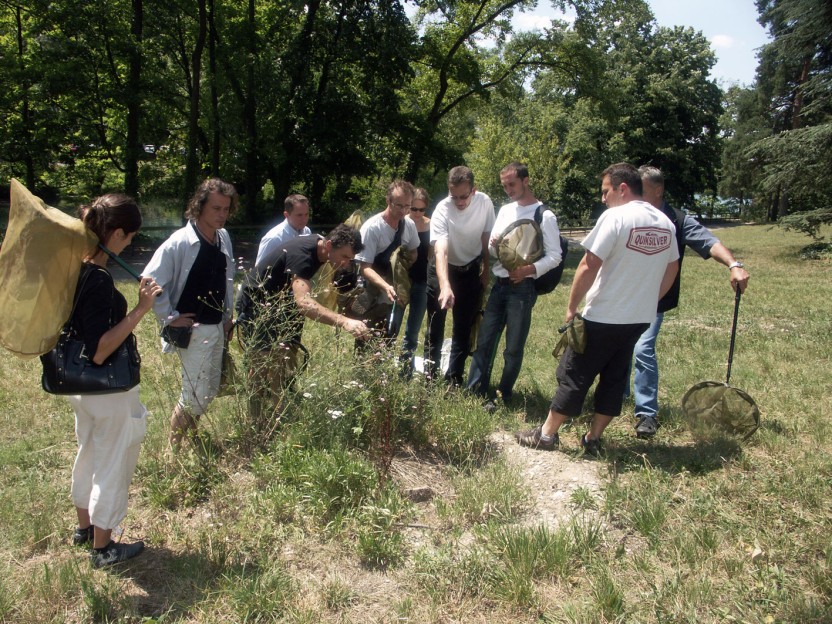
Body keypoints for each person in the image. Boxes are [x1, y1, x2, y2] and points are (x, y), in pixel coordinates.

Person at [515, 163, 679, 454]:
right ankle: (593, 439)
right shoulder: (665, 223)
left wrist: (571, 306)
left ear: (623, 189)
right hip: (639, 318)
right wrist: (650, 302)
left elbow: (588, 264)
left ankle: (547, 435)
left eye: (606, 191)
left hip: (603, 315)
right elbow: (672, 268)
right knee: (615, 377)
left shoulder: (615, 217)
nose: (603, 198)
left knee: (575, 373)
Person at [65, 194, 162, 567]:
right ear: (117, 233)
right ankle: (103, 549)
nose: (131, 245)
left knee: (89, 454)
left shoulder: (78, 268)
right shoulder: (100, 280)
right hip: (108, 390)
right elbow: (101, 348)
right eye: (130, 237)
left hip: (81, 388)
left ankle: (85, 529)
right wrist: (140, 308)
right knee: (112, 463)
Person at [630, 166, 750, 438]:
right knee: (619, 348)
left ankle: (646, 413)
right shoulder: (630, 216)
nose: (635, 194)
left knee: (642, 349)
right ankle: (616, 398)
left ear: (658, 190)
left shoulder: (678, 221)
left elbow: (709, 242)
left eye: (642, 189)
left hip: (655, 300)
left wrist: (734, 264)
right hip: (624, 297)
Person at [236, 225, 371, 425]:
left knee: (283, 360)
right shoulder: (303, 256)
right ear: (328, 245)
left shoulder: (319, 245)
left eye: (350, 259)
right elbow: (304, 303)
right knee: (261, 365)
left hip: (280, 304)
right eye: (344, 256)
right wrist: (343, 321)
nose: (345, 264)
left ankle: (278, 416)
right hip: (257, 304)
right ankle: (255, 423)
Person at [143, 178, 237, 448]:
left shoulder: (223, 237)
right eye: (216, 208)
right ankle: (171, 451)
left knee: (208, 391)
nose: (222, 215)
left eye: (226, 209)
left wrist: (227, 317)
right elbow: (149, 281)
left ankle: (193, 441)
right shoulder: (179, 242)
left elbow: (226, 278)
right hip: (193, 329)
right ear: (199, 207)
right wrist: (169, 317)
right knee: (193, 394)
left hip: (217, 324)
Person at [466, 162, 562, 407]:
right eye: (504, 185)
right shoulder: (506, 210)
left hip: (523, 289)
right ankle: (474, 392)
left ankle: (503, 395)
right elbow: (492, 249)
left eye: (512, 184)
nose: (508, 189)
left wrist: (528, 270)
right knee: (485, 340)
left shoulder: (544, 215)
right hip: (499, 285)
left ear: (525, 181)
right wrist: (494, 244)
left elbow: (555, 256)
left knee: (513, 347)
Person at [424, 166, 495, 385]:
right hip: (443, 269)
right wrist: (445, 286)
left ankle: (453, 378)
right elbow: (441, 251)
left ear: (474, 190)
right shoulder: (442, 210)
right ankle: (429, 377)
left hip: (470, 270)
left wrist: (486, 269)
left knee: (463, 326)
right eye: (454, 196)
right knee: (435, 325)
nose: (459, 202)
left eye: (464, 196)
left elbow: (486, 237)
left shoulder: (484, 202)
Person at [354, 180, 419, 344]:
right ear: (388, 201)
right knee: (367, 339)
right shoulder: (372, 228)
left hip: (396, 291)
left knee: (390, 338)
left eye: (407, 206)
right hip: (373, 293)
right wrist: (386, 286)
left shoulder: (409, 224)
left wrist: (401, 268)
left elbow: (414, 252)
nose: (403, 211)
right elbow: (365, 267)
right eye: (399, 205)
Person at [389, 187, 432, 374]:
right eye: (413, 208)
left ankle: (406, 369)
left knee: (413, 331)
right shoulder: (401, 224)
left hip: (422, 281)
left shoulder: (432, 225)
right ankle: (385, 366)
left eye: (421, 209)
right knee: (393, 325)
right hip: (402, 281)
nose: (416, 213)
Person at [254, 193, 312, 273]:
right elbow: (259, 271)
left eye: (306, 214)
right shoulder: (273, 238)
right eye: (299, 215)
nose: (304, 219)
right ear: (286, 215)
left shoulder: (307, 232)